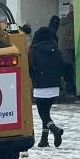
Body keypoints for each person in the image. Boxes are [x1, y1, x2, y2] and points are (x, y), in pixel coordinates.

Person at [29, 15, 65, 147]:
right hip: (54, 86)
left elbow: (30, 68)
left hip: (40, 87)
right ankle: (44, 139)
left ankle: (55, 130)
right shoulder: (55, 49)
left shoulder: (33, 51)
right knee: (47, 111)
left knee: (43, 114)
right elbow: (62, 65)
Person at [59, 4, 76, 97]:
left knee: (66, 72)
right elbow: (72, 41)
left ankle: (67, 90)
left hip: (61, 52)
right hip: (69, 52)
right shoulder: (73, 24)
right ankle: (70, 91)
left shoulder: (62, 23)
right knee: (70, 73)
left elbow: (58, 36)